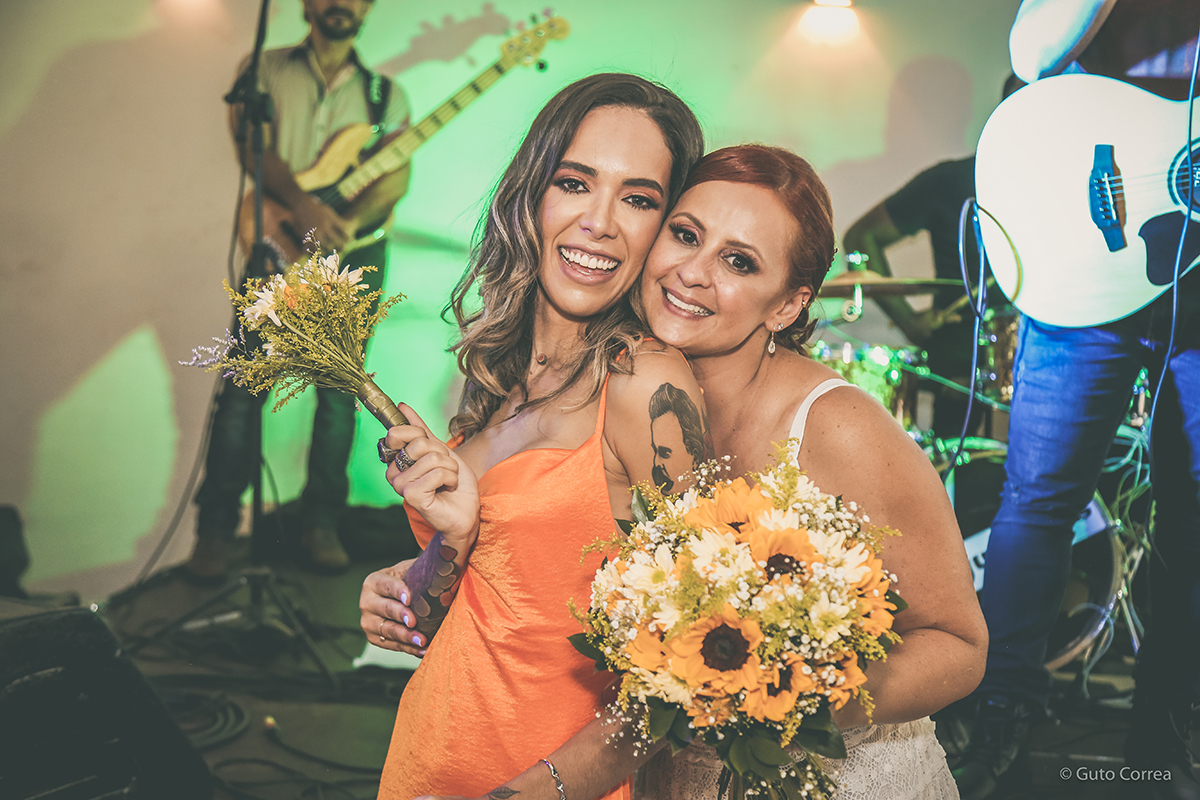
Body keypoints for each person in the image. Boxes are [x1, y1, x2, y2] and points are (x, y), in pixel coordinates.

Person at [366, 145, 987, 800]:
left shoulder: (838, 427)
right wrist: (426, 573)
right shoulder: (615, 390)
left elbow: (959, 645)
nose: (692, 272)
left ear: (786, 305)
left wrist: (785, 695)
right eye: (685, 235)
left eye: (739, 262)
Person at [362, 72, 707, 799]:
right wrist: (427, 568)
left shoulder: (645, 384)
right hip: (425, 762)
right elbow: (464, 618)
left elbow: (691, 664)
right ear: (532, 195)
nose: (600, 222)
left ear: (666, 229)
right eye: (574, 183)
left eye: (639, 199)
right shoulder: (496, 374)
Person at [950, 2, 1200, 799]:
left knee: (1193, 515)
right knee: (1039, 497)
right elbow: (1031, 53)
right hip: (1088, 259)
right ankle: (1001, 717)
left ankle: (1162, 736)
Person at [186, 0, 411, 582]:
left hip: (354, 251)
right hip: (279, 239)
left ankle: (322, 525)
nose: (343, 3)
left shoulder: (386, 96)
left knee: (341, 394)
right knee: (244, 386)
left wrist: (344, 225)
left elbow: (396, 176)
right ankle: (214, 531)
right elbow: (252, 148)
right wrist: (307, 209)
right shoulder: (262, 69)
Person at [841, 75, 1023, 441]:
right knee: (956, 460)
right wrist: (909, 322)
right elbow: (863, 239)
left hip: (1050, 353)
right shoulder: (950, 181)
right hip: (961, 363)